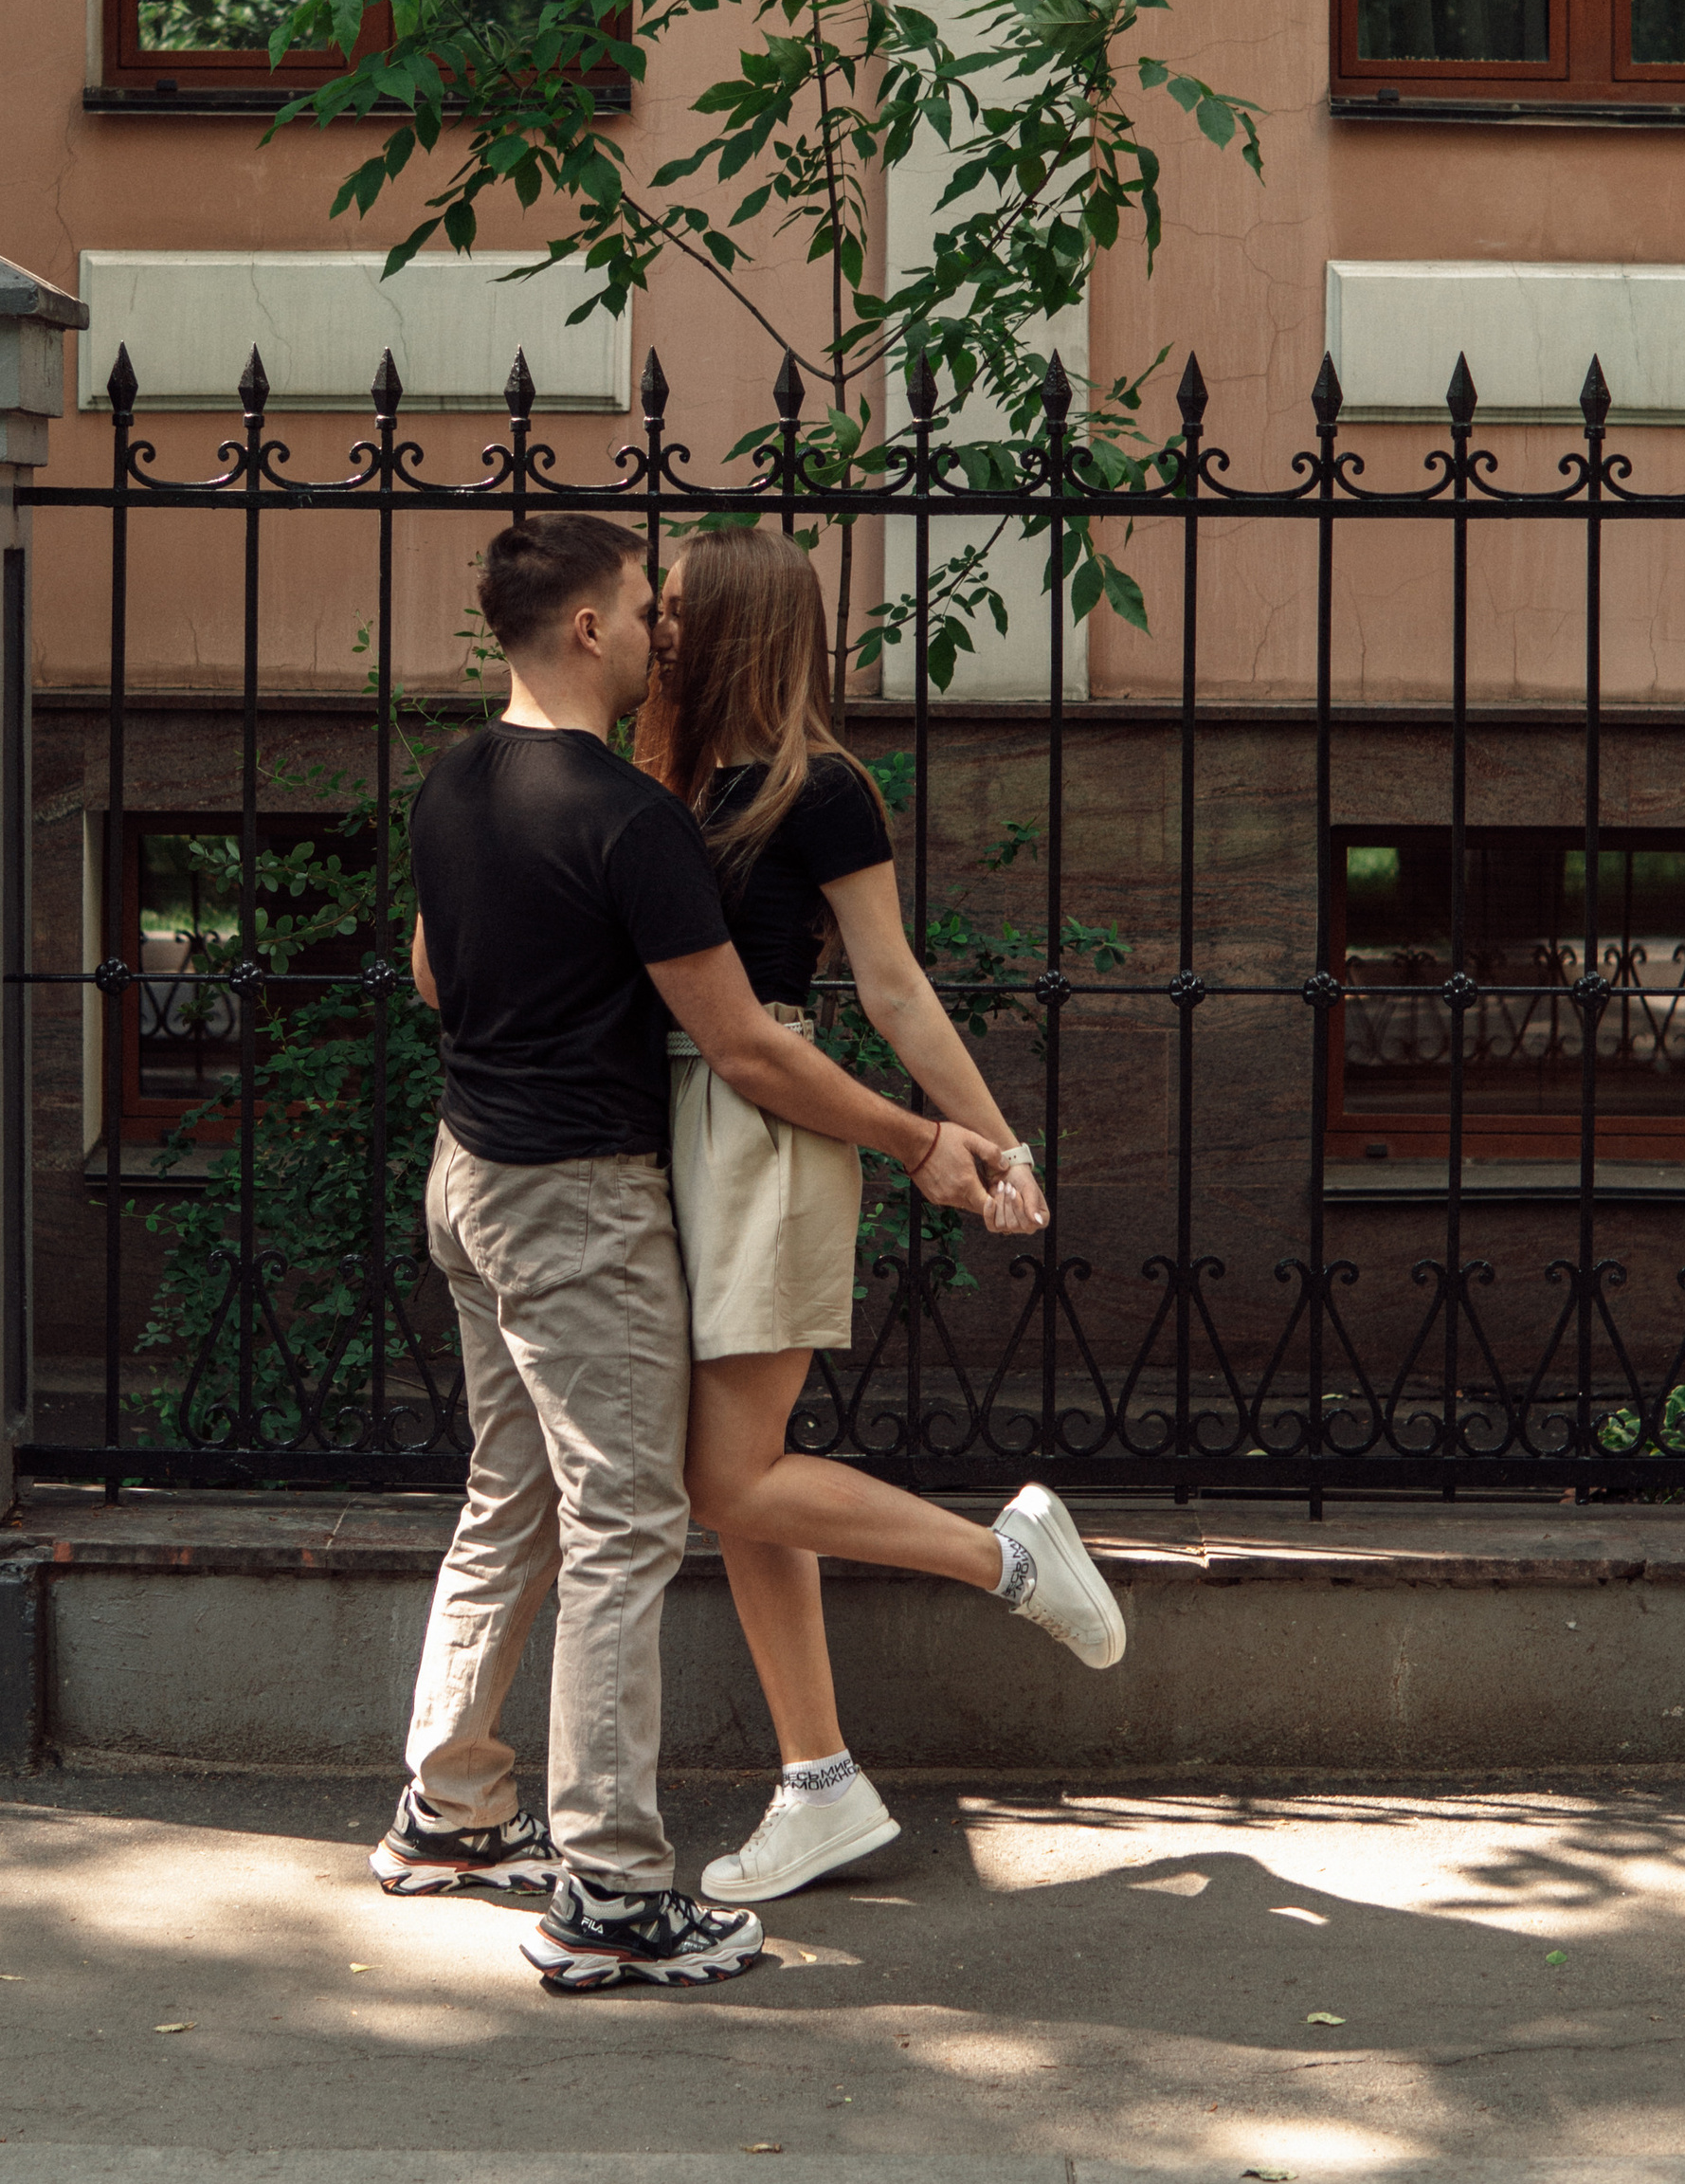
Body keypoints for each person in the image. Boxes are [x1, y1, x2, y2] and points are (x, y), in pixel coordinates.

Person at [377, 510, 1015, 1995]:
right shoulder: (630, 817)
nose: (666, 628)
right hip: (575, 1199)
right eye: (642, 605)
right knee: (623, 1523)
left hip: (464, 1177)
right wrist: (923, 1142)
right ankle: (608, 1888)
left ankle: (453, 1812)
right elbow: (743, 1048)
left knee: (510, 1492)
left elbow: (428, 973)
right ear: (592, 629)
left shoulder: (460, 780)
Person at [636, 526, 1127, 1908]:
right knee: (743, 1481)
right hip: (663, 1126)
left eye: (675, 610)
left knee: (726, 1477)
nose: (656, 629)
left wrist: (992, 1142)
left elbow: (894, 987)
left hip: (767, 1130)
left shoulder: (822, 788)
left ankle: (1007, 1557)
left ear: (731, 619)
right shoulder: (658, 778)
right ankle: (820, 1783)